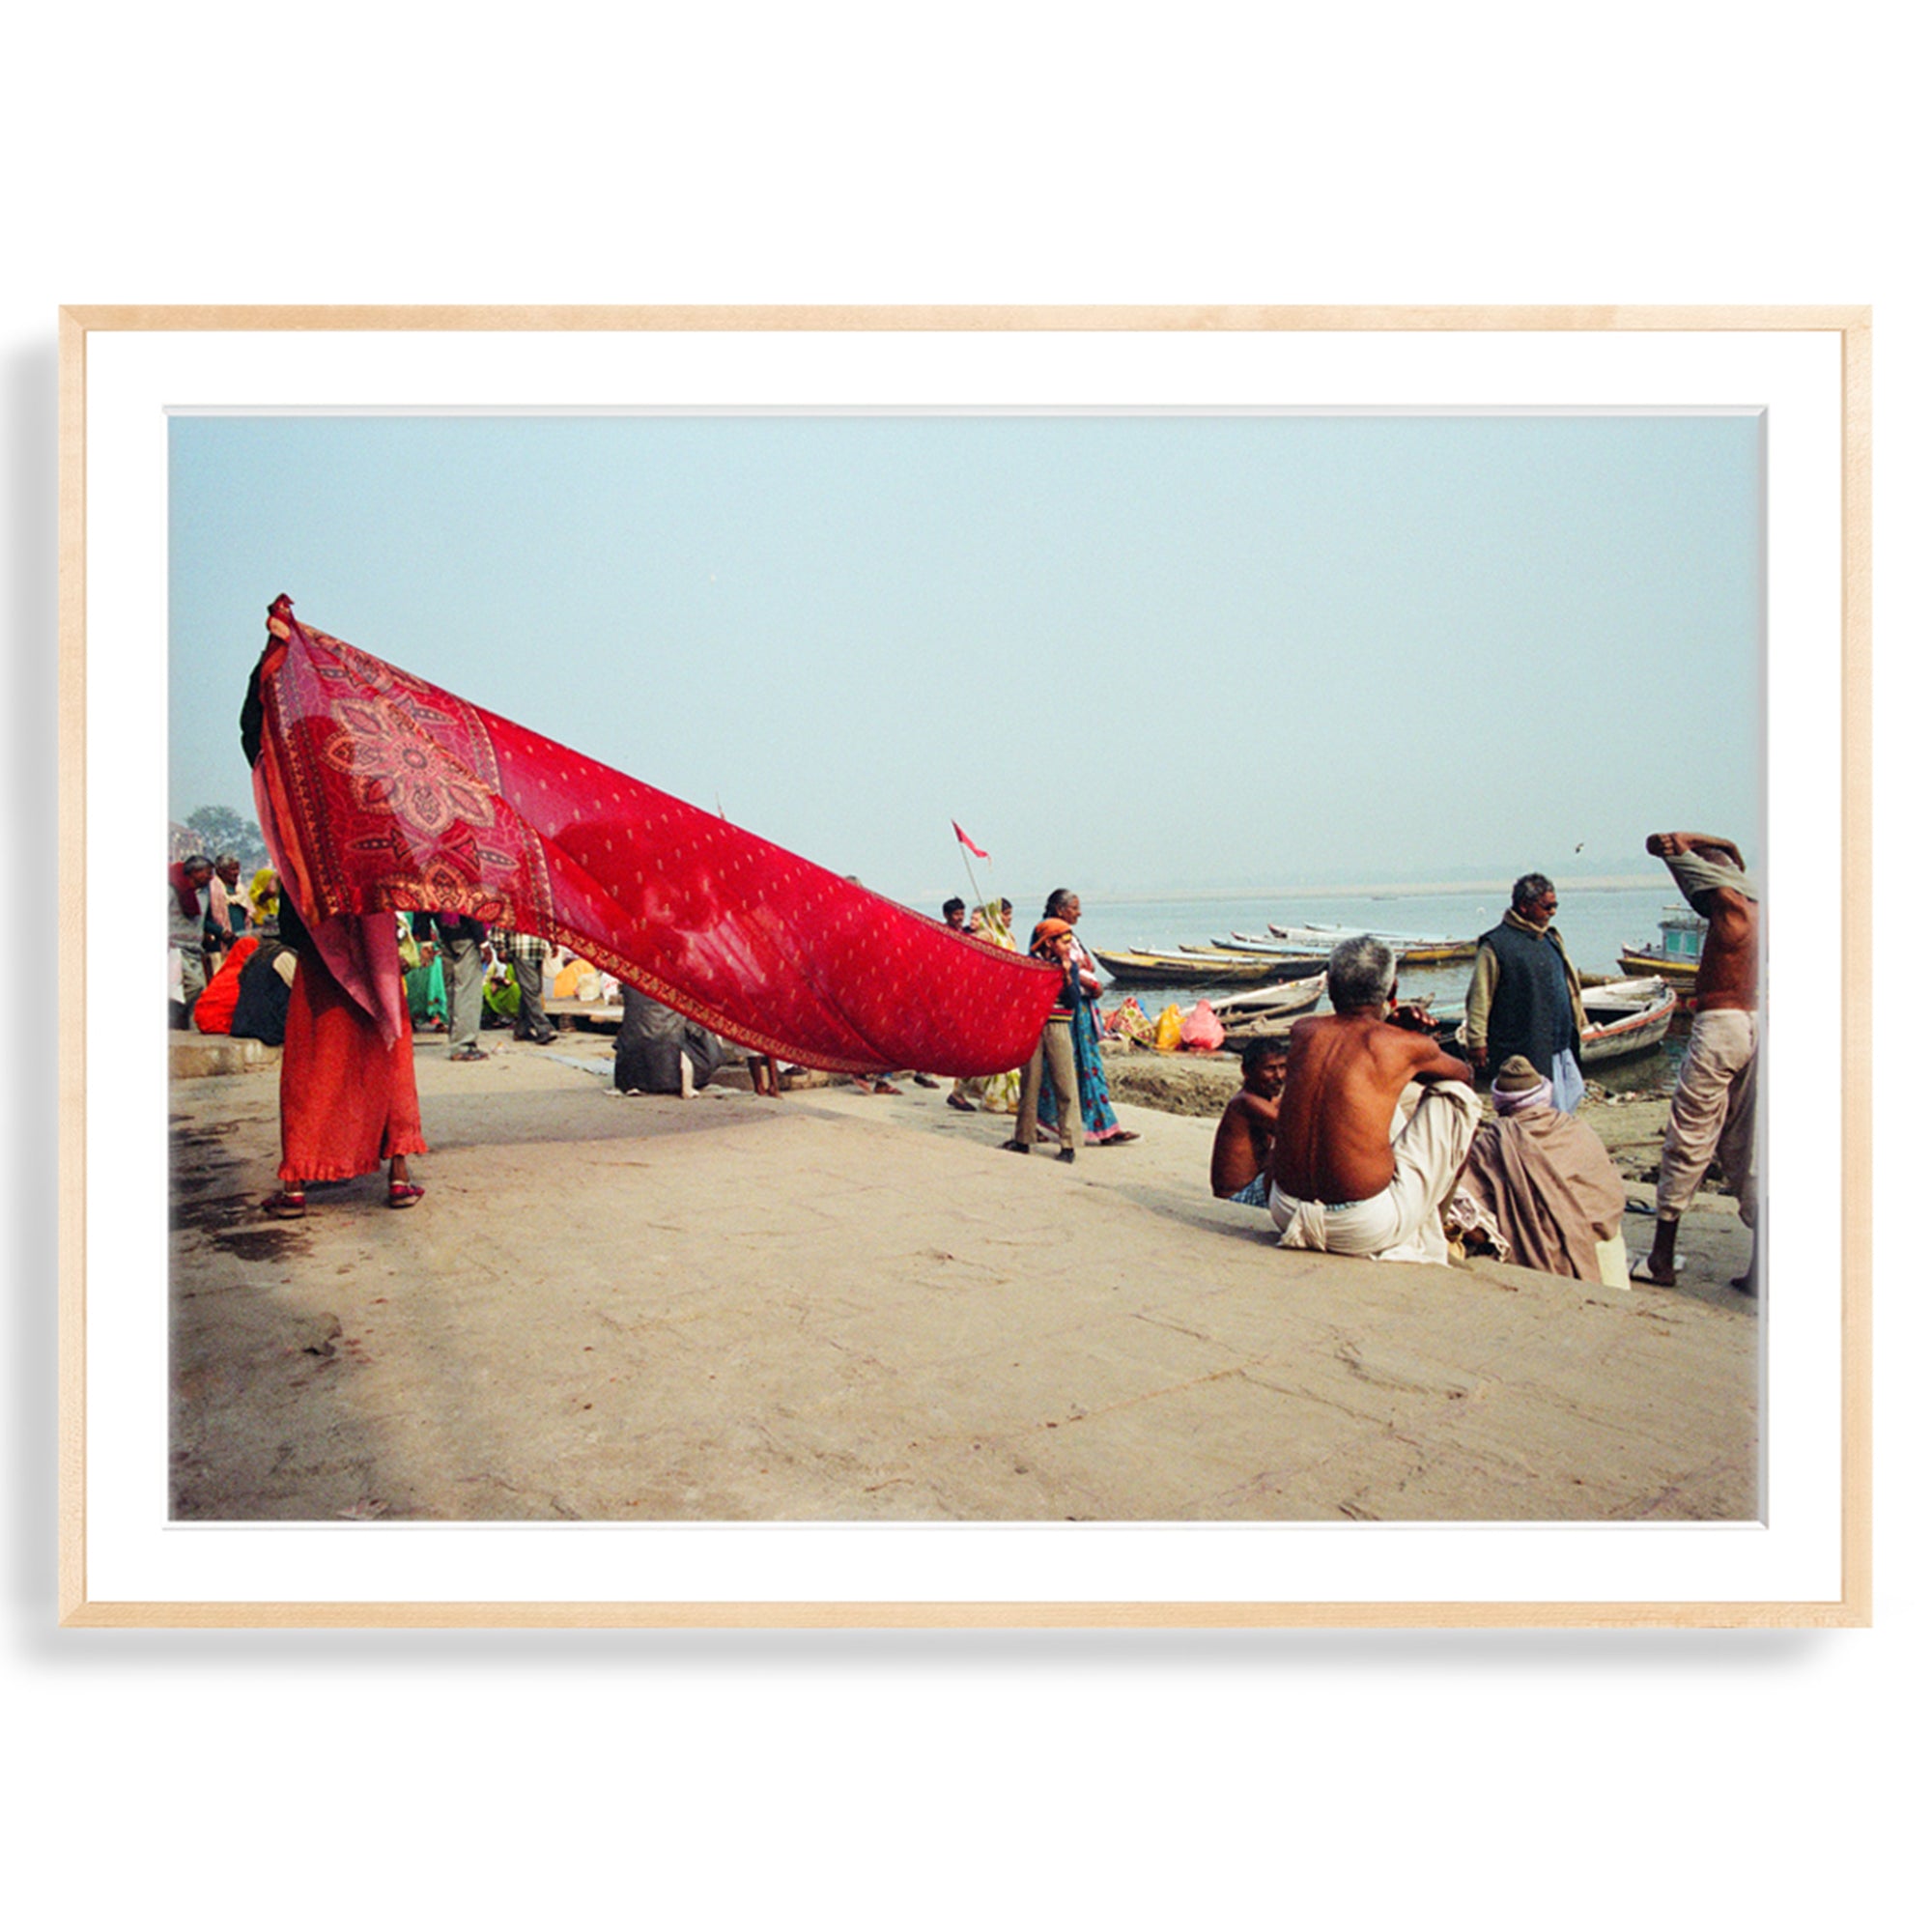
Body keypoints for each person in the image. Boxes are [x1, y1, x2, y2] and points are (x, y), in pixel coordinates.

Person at [243, 597, 426, 1217]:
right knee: (387, 1052)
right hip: (372, 950)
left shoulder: (297, 792)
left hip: (324, 945)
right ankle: (397, 1173)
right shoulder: (370, 793)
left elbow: (255, 732)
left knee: (316, 1064)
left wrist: (271, 658)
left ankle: (298, 1181)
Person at [1266, 935, 1482, 1264]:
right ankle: (1433, 1225)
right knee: (1458, 1097)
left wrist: (1396, 1037)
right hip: (1362, 1226)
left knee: (1368, 1086)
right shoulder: (1401, 1044)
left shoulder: (1302, 1031)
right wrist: (1410, 1038)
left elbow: (1355, 1048)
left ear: (1330, 986)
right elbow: (1464, 1075)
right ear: (1392, 990)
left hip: (1285, 1210)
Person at [1634, 832, 1761, 1293]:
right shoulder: (1757, 909)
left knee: (1689, 1138)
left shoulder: (1727, 906)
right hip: (1753, 1024)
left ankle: (1662, 1259)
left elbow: (1660, 843)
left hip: (1721, 1026)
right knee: (1746, 1144)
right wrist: (1726, 846)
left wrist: (1706, 843)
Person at [1455, 1055, 1632, 1287]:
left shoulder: (1491, 1144)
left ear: (1500, 1102)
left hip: (1539, 1260)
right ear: (1545, 1096)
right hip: (1604, 1255)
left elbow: (1467, 1207)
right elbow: (1610, 1196)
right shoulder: (1577, 1129)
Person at [1464, 872, 1589, 1113]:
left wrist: (1580, 1021)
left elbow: (1569, 984)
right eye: (1547, 906)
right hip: (1524, 1043)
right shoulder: (1496, 945)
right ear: (1524, 906)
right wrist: (1477, 1041)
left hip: (1560, 1042)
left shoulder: (1550, 938)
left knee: (1572, 1093)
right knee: (1537, 1107)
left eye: (1555, 906)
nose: (1552, 912)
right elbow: (1480, 996)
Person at [1035, 888, 1138, 1146]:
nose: (1079, 913)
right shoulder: (1046, 933)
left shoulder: (1069, 935)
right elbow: (1052, 965)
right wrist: (1090, 984)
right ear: (1060, 909)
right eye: (1074, 908)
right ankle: (1039, 1120)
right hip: (1065, 1011)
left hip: (1081, 1011)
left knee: (1086, 1066)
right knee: (1060, 1068)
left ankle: (1104, 1125)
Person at [1004, 919, 1080, 1163]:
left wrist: (1068, 977)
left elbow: (1073, 1001)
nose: (1069, 946)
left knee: (1065, 1084)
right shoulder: (1030, 965)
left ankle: (1068, 1144)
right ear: (1049, 942)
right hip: (1033, 1028)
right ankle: (1023, 1138)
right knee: (1030, 1083)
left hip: (1059, 1027)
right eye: (1064, 941)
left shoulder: (1070, 967)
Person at [952, 900, 1022, 1114]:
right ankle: (961, 1090)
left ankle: (1005, 1097)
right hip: (988, 1000)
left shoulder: (1009, 937)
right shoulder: (985, 936)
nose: (1009, 919)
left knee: (1006, 1048)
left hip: (1007, 1000)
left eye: (1010, 914)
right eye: (1006, 914)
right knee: (983, 1047)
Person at [1211, 1038, 1291, 1206]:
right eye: (1270, 1069)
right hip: (1239, 1197)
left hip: (1255, 1185)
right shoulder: (1245, 1102)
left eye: (1283, 1067)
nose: (1279, 1076)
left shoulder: (1270, 1101)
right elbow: (1294, 1132)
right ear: (1246, 1072)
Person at [613, 985, 729, 1096]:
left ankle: (634, 1085)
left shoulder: (633, 975)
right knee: (691, 1031)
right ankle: (687, 1087)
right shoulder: (676, 978)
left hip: (630, 1073)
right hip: (668, 1069)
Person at [415, 910, 488, 1061]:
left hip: (445, 935)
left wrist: (425, 940)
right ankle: (463, 1045)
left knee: (452, 990)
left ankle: (456, 1042)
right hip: (467, 937)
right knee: (467, 991)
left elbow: (422, 905)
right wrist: (483, 942)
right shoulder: (462, 885)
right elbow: (469, 908)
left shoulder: (433, 885)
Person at [168, 854, 213, 1021]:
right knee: (195, 986)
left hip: (194, 949)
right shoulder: (171, 889)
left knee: (200, 994)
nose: (210, 877)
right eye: (207, 873)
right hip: (175, 949)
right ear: (194, 872)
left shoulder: (203, 894)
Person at [497, 926, 556, 1045]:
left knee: (531, 989)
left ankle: (522, 1029)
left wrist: (552, 942)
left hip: (537, 949)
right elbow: (501, 924)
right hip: (521, 949)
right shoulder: (514, 907)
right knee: (531, 990)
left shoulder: (541, 907)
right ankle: (543, 1028)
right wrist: (500, 947)